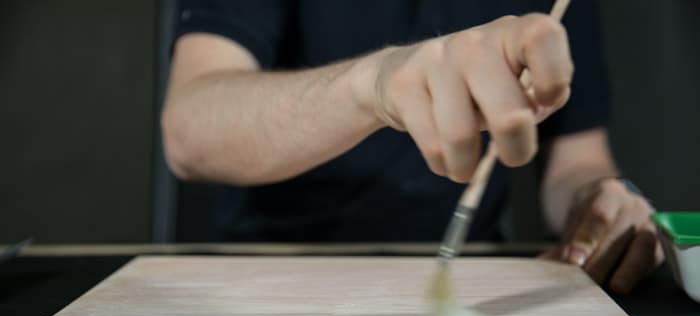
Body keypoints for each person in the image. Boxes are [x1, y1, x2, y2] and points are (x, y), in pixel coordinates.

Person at [161, 0, 662, 293]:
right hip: (274, 279)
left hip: (473, 283)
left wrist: (599, 199)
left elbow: (576, 160)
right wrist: (371, 87)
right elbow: (190, 130)